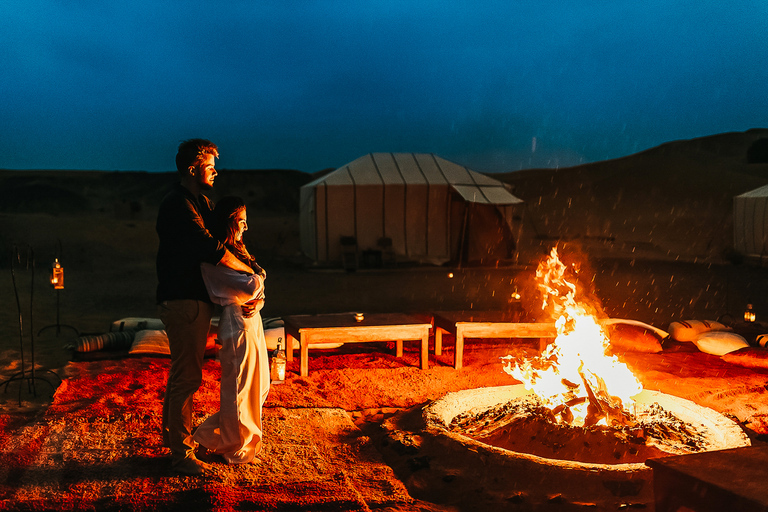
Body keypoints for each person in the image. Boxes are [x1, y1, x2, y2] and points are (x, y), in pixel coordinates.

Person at [156, 139, 254, 476]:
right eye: (210, 166)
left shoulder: (200, 201)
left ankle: (174, 442)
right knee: (187, 378)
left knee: (182, 376)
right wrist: (249, 275)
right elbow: (209, 247)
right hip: (183, 300)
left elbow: (226, 235)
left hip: (192, 299)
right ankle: (181, 455)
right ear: (191, 169)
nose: (215, 171)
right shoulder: (178, 204)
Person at [193, 196, 270, 464]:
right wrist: (258, 284)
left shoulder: (238, 253)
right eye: (241, 222)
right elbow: (251, 286)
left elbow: (255, 285)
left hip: (252, 320)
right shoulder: (213, 260)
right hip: (236, 322)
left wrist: (258, 293)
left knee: (259, 387)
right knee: (239, 390)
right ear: (228, 223)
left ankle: (206, 437)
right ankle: (233, 448)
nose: (246, 227)